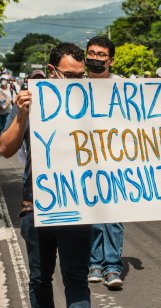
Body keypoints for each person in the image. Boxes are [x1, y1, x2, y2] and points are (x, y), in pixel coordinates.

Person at [0, 42, 92, 308]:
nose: (76, 81)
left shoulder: (93, 102)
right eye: (70, 75)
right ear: (52, 71)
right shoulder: (29, 102)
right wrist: (21, 115)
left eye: (80, 76)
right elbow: (6, 149)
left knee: (76, 280)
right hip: (37, 209)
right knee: (39, 280)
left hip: (79, 208)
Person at [84, 36, 125, 289]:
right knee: (93, 214)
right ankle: (94, 263)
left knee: (115, 215)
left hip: (117, 158)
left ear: (111, 59)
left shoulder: (122, 86)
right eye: (92, 53)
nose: (96, 58)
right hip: (85, 159)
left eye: (101, 54)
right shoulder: (76, 84)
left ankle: (112, 266)